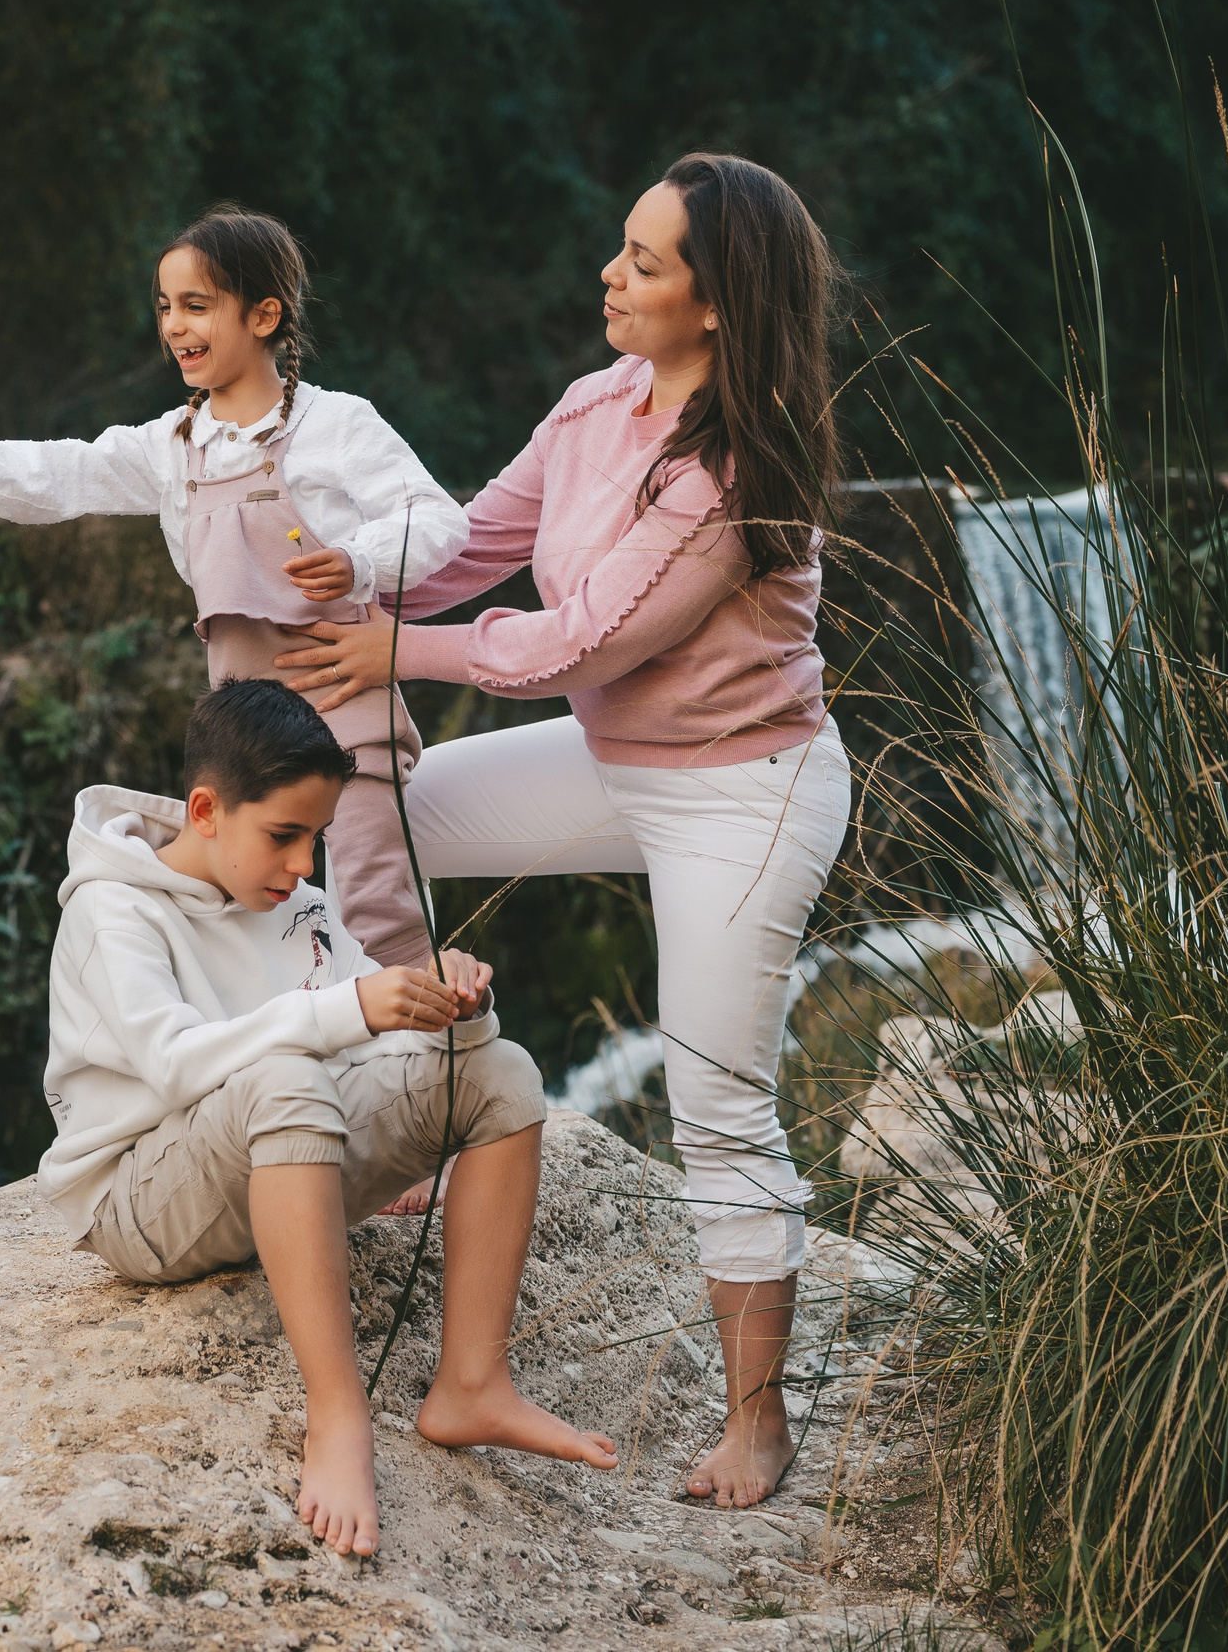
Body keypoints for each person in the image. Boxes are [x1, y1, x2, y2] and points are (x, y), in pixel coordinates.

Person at [273, 153, 852, 1510]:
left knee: (718, 1101)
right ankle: (398, 1117)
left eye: (646, 263)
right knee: (374, 814)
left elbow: (580, 642)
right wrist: (359, 572)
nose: (612, 273)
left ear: (718, 306)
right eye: (623, 248)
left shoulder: (734, 473)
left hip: (742, 795)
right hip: (616, 764)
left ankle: (757, 1422)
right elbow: (478, 543)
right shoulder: (600, 406)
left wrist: (397, 652)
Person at [45, 679, 618, 1558]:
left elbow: (367, 1047)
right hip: (142, 1205)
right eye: (283, 835)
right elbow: (175, 1065)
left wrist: (453, 1008)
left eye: (317, 837)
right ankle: (338, 1414)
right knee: (286, 1076)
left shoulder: (296, 903)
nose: (305, 866)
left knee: (500, 1073)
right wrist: (352, 1007)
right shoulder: (110, 908)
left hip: (283, 1165)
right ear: (205, 809)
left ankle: (472, 1384)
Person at [0, 206, 468, 970]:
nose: (174, 325)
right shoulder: (172, 445)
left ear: (264, 314)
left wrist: (359, 563)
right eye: (165, 306)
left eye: (197, 305)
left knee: (378, 907)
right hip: (248, 731)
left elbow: (435, 518)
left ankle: (425, 1064)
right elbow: (60, 474)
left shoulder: (335, 424)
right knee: (257, 923)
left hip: (348, 709)